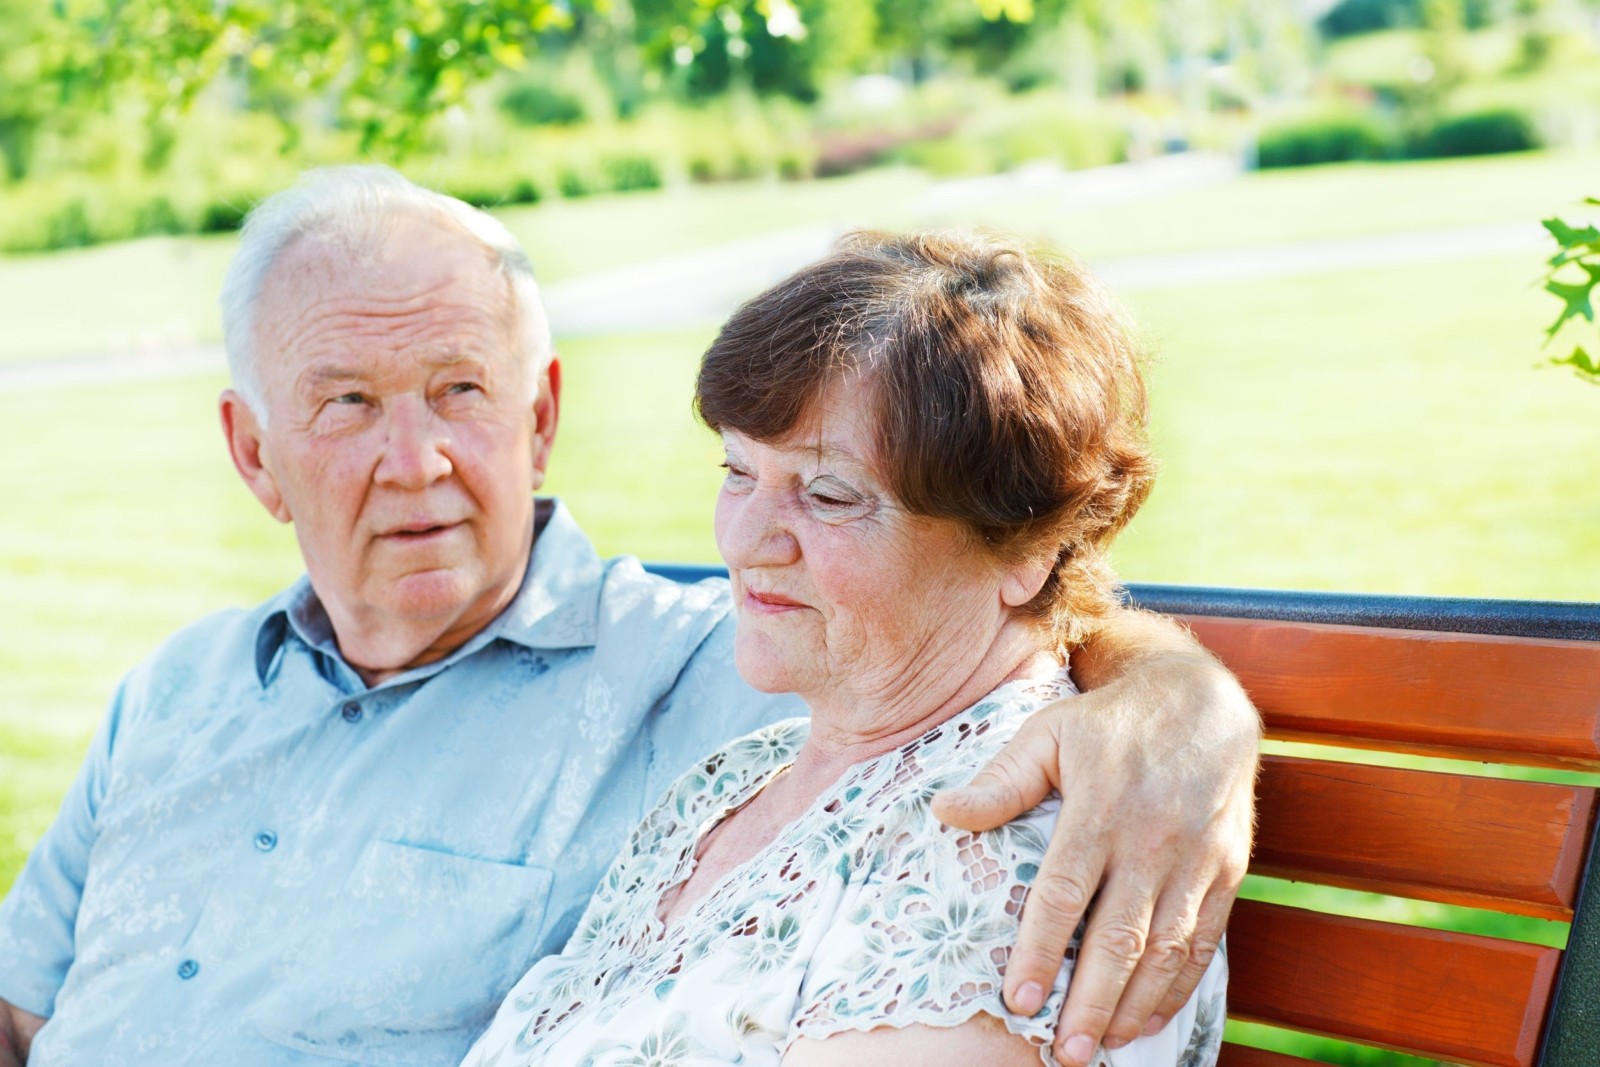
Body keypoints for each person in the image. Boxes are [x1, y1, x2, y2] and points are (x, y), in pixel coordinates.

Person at [0, 168, 1258, 1067]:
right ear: (254, 451)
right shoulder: (178, 689)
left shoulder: (707, 669)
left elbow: (989, 637)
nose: (421, 458)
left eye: (461, 389)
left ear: (540, 414)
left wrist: (1178, 699)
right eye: (344, 403)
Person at [463, 230, 1226, 1067]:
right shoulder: (742, 781)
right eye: (737, 471)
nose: (747, 540)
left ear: (1024, 550)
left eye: (828, 494)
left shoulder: (1006, 849)